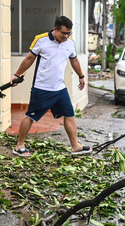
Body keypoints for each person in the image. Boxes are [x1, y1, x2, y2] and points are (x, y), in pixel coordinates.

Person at [10, 15, 91, 157]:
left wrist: (81, 76)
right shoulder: (41, 40)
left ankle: (75, 146)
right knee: (31, 116)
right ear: (55, 29)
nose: (66, 36)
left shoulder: (70, 43)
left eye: (68, 33)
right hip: (42, 88)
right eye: (63, 33)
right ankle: (19, 146)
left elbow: (75, 60)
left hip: (60, 88)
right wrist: (17, 75)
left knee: (69, 114)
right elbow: (29, 59)